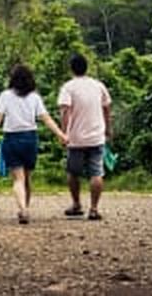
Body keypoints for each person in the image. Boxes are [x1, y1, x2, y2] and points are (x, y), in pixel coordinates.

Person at [0, 64, 68, 224]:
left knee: (18, 179)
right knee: (27, 178)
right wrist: (61, 135)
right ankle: (25, 208)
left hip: (12, 139)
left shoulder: (5, 96)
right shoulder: (34, 97)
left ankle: (23, 209)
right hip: (30, 139)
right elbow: (46, 118)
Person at [57, 53, 112, 221]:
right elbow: (107, 108)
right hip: (96, 136)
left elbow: (65, 112)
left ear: (71, 69)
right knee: (96, 173)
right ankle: (94, 209)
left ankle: (76, 204)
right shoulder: (98, 85)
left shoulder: (68, 87)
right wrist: (108, 129)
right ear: (86, 68)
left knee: (73, 173)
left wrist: (63, 133)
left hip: (76, 138)